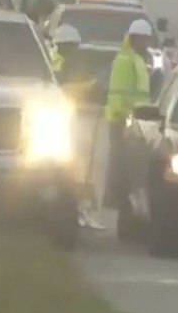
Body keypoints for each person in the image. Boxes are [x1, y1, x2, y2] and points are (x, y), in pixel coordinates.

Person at [51, 25, 108, 231]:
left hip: (74, 118)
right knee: (75, 167)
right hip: (65, 119)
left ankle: (81, 209)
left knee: (82, 167)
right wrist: (93, 87)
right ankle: (76, 209)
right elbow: (67, 88)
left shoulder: (64, 63)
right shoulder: (61, 65)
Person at [102, 19, 154, 211]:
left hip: (135, 119)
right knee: (118, 160)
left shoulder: (138, 59)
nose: (145, 43)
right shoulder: (125, 60)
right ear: (133, 39)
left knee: (127, 161)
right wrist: (124, 115)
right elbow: (119, 92)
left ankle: (119, 197)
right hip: (121, 118)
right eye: (142, 39)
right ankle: (112, 198)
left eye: (147, 39)